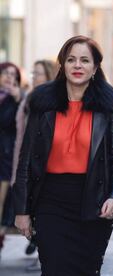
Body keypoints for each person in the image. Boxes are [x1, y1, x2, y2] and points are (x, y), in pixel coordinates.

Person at [12, 35, 113, 275]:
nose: (78, 66)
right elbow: (26, 160)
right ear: (62, 65)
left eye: (85, 60)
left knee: (87, 270)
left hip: (94, 201)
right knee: (54, 267)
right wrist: (21, 210)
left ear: (95, 67)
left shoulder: (109, 107)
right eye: (71, 60)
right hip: (50, 201)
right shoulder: (43, 104)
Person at [10, 59, 57, 270]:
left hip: (39, 162)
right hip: (21, 155)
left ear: (47, 75)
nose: (33, 78)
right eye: (32, 74)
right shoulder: (30, 97)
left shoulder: (51, 100)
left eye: (37, 73)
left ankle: (43, 253)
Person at [0, 61, 22, 257]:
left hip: (5, 157)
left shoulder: (17, 99)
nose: (9, 77)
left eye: (13, 74)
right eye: (5, 73)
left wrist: (18, 99)